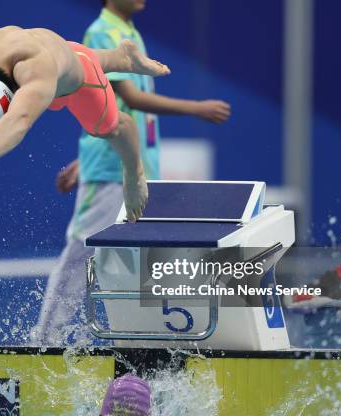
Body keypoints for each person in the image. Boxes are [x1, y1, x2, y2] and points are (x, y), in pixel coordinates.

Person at [32, 0, 231, 344]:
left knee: (133, 258)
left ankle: (144, 340)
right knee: (82, 249)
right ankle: (44, 340)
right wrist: (196, 108)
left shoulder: (128, 32)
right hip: (111, 169)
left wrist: (84, 161)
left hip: (130, 167)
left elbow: (110, 107)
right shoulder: (101, 32)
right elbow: (130, 97)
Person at [0, 26, 170, 223]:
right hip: (61, 54)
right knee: (74, 57)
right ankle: (121, 57)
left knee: (111, 128)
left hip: (77, 80)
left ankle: (134, 173)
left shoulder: (34, 65)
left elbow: (18, 120)